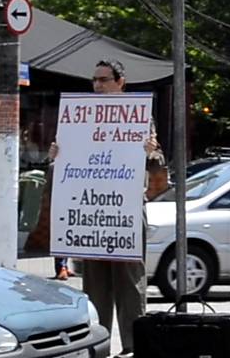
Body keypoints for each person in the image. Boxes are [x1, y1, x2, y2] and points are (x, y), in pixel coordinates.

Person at [51, 59, 167, 358]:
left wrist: (151, 152)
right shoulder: (79, 118)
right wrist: (56, 155)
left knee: (129, 280)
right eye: (95, 79)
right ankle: (97, 343)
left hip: (125, 209)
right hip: (91, 212)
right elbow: (66, 164)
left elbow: (158, 168)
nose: (98, 85)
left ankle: (133, 345)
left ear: (120, 82)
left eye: (104, 79)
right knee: (95, 284)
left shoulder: (137, 117)